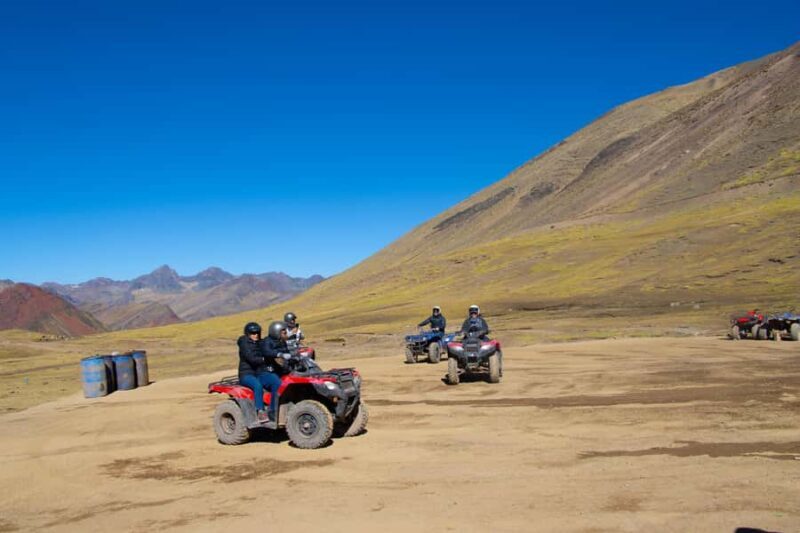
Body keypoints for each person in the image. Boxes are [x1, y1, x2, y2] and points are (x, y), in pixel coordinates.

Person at [237, 322, 283, 424]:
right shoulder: (244, 344)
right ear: (248, 334)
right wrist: (266, 358)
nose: (256, 335)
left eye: (257, 332)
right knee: (257, 386)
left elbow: (270, 347)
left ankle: (273, 410)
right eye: (253, 333)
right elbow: (252, 359)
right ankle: (260, 412)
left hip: (260, 372)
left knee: (277, 382)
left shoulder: (260, 342)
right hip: (246, 374)